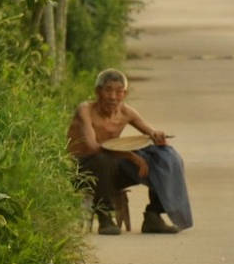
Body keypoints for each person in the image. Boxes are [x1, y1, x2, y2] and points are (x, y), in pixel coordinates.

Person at [68, 68, 193, 235]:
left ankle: (153, 215)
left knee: (163, 156)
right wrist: (131, 156)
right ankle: (105, 216)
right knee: (103, 159)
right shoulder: (86, 110)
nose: (113, 97)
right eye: (108, 90)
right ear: (97, 92)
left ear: (124, 94)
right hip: (82, 170)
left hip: (111, 171)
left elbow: (151, 132)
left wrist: (158, 137)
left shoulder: (126, 112)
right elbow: (93, 147)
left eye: (118, 92)